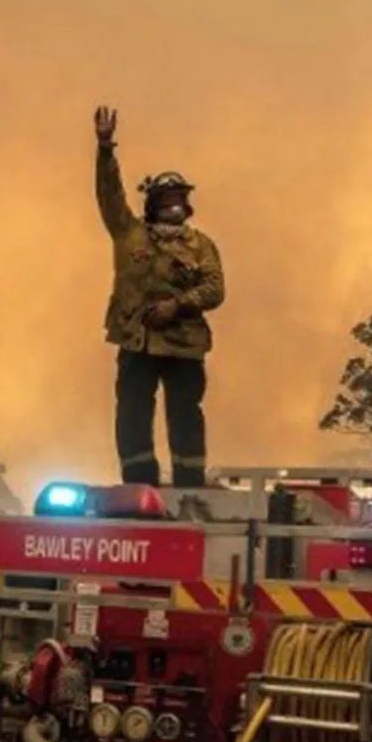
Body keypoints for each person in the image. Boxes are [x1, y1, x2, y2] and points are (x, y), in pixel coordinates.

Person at [93, 105, 226, 489]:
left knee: (185, 413)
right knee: (133, 411)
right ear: (152, 202)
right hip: (137, 340)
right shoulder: (129, 233)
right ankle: (139, 481)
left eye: (178, 197)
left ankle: (188, 482)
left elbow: (216, 289)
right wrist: (105, 149)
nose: (173, 203)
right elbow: (109, 195)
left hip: (184, 345)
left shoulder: (201, 245)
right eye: (166, 197)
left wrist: (177, 306)